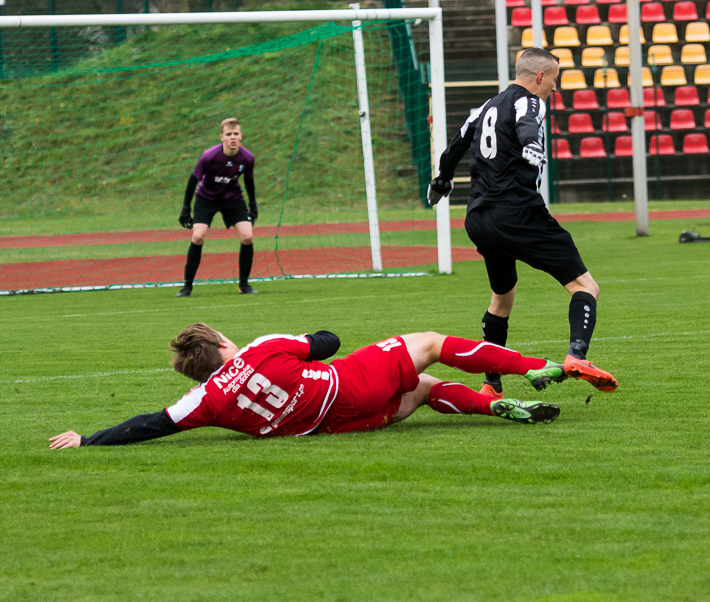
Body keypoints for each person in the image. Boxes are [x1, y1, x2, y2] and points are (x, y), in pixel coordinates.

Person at [47, 323, 594, 448]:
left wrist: (89, 439)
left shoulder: (204, 401)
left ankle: (493, 407)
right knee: (429, 343)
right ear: (220, 342)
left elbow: (150, 425)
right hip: (347, 383)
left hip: (340, 424)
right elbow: (328, 342)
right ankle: (534, 367)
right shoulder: (260, 348)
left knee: (425, 387)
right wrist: (304, 340)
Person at [428, 47, 617, 398]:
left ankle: (491, 384)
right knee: (585, 286)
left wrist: (442, 180)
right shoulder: (530, 101)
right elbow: (528, 120)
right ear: (541, 76)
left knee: (501, 299)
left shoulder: (485, 107)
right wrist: (531, 143)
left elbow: (455, 146)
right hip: (516, 212)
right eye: (554, 80)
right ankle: (577, 356)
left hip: (478, 217)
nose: (555, 88)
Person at [176, 118, 257, 297]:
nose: (232, 137)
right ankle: (187, 287)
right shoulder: (209, 156)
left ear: (241, 136)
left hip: (233, 199)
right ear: (222, 137)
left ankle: (244, 285)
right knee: (197, 236)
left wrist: (253, 206)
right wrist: (185, 208)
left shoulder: (247, 158)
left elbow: (249, 181)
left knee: (247, 236)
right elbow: (193, 180)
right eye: (228, 134)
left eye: (235, 134)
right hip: (206, 198)